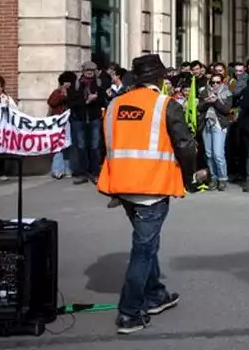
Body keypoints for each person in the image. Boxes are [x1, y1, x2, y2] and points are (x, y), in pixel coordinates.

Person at [97, 54, 205, 334]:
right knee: (143, 251)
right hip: (152, 189)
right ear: (160, 79)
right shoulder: (164, 105)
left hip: (122, 188)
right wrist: (190, 176)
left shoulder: (115, 104)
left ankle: (155, 294)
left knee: (147, 243)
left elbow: (106, 144)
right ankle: (129, 312)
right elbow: (185, 145)